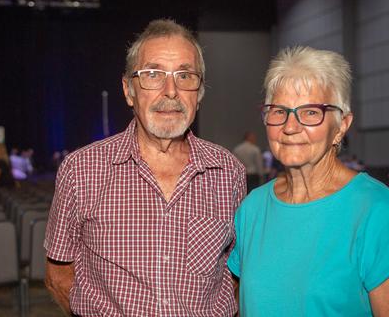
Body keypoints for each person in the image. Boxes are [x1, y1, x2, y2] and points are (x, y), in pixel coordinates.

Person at [44, 19, 247, 316]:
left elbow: (235, 275)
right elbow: (58, 276)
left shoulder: (228, 172)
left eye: (185, 76)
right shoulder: (81, 170)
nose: (171, 91)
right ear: (129, 90)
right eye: (153, 75)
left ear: (199, 93)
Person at [227, 46, 389, 316]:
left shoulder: (377, 213)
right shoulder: (252, 209)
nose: (290, 126)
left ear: (342, 125)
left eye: (311, 112)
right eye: (278, 111)